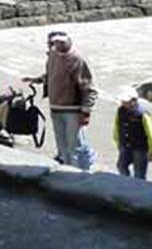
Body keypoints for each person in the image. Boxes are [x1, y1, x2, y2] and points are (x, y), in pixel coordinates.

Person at [23, 31, 97, 169]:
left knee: (75, 146)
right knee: (62, 146)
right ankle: (67, 172)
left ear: (69, 41)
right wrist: (36, 80)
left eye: (61, 42)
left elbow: (89, 88)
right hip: (55, 107)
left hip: (72, 109)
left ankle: (81, 175)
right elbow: (51, 75)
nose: (56, 45)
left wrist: (86, 111)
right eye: (53, 42)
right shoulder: (52, 56)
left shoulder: (77, 59)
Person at [114, 87, 152, 180]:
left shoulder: (142, 114)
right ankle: (127, 183)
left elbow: (150, 133)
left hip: (140, 148)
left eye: (126, 101)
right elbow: (117, 126)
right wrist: (118, 142)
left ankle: (139, 190)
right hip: (125, 145)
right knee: (121, 165)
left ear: (134, 101)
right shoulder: (120, 111)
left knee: (139, 173)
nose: (124, 103)